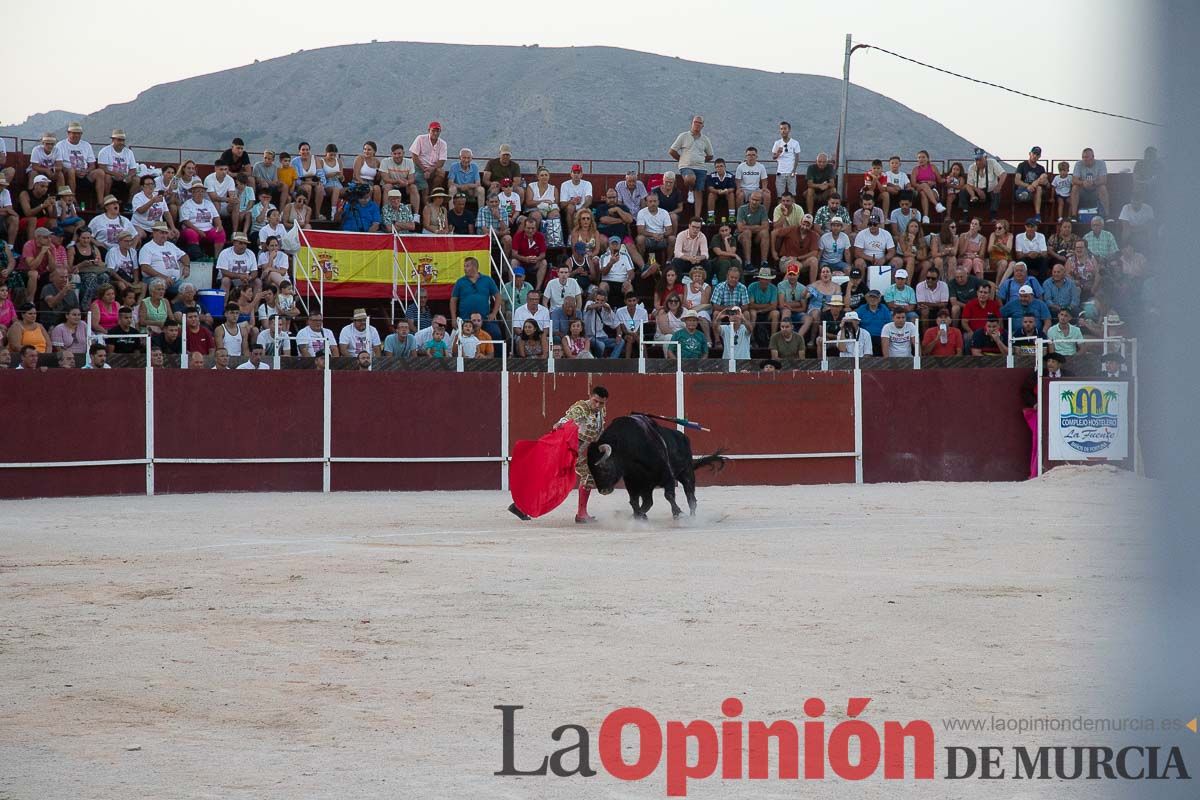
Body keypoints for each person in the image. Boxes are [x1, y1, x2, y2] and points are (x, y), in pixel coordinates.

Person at [669, 116, 713, 218]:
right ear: (692, 123)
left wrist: (701, 160)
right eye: (695, 122)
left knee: (699, 191)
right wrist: (681, 159)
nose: (697, 124)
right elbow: (672, 151)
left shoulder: (705, 139)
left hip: (701, 168)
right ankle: (690, 189)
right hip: (686, 166)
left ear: (702, 125)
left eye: (699, 123)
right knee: (690, 178)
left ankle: (696, 217)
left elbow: (710, 155)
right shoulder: (683, 136)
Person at [450, 256, 500, 337]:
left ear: (474, 267)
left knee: (496, 333)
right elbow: (453, 300)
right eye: (464, 266)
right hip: (465, 320)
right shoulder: (460, 282)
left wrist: (494, 313)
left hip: (484, 319)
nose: (464, 269)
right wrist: (453, 318)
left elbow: (498, 296)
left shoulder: (487, 280)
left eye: (467, 266)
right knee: (456, 337)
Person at [636, 192, 675, 276]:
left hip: (662, 238)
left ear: (658, 202)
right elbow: (640, 231)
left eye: (654, 201)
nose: (653, 203)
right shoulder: (641, 212)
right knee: (640, 239)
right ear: (646, 202)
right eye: (650, 201)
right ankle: (643, 264)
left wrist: (662, 235)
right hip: (648, 239)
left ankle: (668, 262)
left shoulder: (664, 212)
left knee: (672, 238)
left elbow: (669, 230)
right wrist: (653, 235)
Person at [962, 148, 1006, 221]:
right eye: (976, 160)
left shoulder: (992, 163)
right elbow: (969, 184)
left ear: (985, 158)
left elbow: (1003, 174)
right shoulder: (972, 167)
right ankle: (965, 215)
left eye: (980, 159)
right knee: (963, 191)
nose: (978, 162)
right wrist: (977, 190)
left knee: (996, 192)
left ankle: (993, 216)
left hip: (990, 191)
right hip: (977, 192)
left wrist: (999, 186)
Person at [410, 122, 447, 200]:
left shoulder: (443, 144)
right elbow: (414, 156)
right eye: (433, 130)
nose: (435, 133)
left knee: (441, 172)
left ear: (440, 132)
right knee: (422, 185)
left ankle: (432, 193)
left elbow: (442, 161)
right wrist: (424, 169)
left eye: (438, 131)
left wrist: (431, 169)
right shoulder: (420, 138)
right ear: (429, 130)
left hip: (432, 169)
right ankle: (425, 200)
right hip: (419, 167)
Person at [1069, 147, 1109, 219]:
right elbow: (1074, 180)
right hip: (1083, 190)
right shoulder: (1078, 164)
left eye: (1087, 157)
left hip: (1095, 190)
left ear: (1093, 157)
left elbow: (1104, 180)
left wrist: (1093, 183)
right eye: (1083, 157)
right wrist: (1083, 183)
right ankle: (1074, 215)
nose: (1085, 159)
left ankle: (1106, 215)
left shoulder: (1101, 163)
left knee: (1103, 187)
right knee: (1075, 188)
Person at [379, 144, 420, 211]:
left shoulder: (409, 162)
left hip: (404, 186)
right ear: (391, 154)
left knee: (413, 187)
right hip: (391, 186)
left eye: (399, 153)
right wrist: (398, 181)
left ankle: (416, 214)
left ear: (403, 153)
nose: (397, 156)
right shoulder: (385, 161)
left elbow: (412, 179)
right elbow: (385, 179)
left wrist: (406, 182)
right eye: (394, 154)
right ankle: (386, 212)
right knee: (387, 186)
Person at [736, 190, 770, 269]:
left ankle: (764, 262)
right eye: (753, 199)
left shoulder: (763, 209)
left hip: (756, 237)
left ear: (761, 201)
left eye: (757, 200)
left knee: (765, 232)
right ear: (749, 199)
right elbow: (740, 228)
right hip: (742, 236)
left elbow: (766, 227)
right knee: (747, 232)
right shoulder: (742, 209)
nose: (754, 202)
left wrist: (747, 226)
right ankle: (748, 263)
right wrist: (758, 226)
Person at [1013, 146, 1049, 221]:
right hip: (1022, 191)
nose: (1035, 156)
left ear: (1039, 156)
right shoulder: (1022, 165)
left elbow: (1048, 185)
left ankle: (1038, 216)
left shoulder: (1041, 168)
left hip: (1035, 192)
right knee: (1039, 183)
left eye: (1037, 154)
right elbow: (1017, 181)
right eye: (1034, 154)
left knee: (1041, 182)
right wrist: (1028, 186)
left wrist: (1045, 182)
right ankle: (1026, 193)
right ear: (1030, 154)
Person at [512, 217, 548, 287]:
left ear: (536, 228)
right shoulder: (518, 236)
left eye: (533, 228)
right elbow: (514, 254)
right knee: (513, 261)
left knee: (544, 262)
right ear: (524, 228)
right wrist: (525, 259)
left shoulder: (540, 236)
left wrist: (537, 259)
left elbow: (543, 254)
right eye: (528, 228)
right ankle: (513, 287)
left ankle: (538, 289)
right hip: (521, 263)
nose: (530, 230)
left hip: (534, 263)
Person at [615, 292, 649, 358]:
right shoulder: (620, 311)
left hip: (639, 333)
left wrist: (636, 334)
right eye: (629, 301)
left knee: (639, 339)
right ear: (625, 301)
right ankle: (627, 362)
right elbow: (623, 328)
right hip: (626, 334)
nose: (632, 303)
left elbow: (642, 327)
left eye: (634, 300)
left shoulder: (643, 311)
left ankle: (645, 361)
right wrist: (631, 334)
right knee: (630, 338)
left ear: (637, 300)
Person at [558, 165, 593, 229]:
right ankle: (571, 234)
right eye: (574, 172)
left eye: (578, 173)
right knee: (571, 207)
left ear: (581, 174)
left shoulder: (587, 184)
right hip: (569, 210)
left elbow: (589, 200)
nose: (576, 175)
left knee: (588, 212)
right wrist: (571, 201)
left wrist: (580, 211)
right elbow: (562, 205)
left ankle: (588, 235)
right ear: (571, 174)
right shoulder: (565, 185)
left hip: (583, 207)